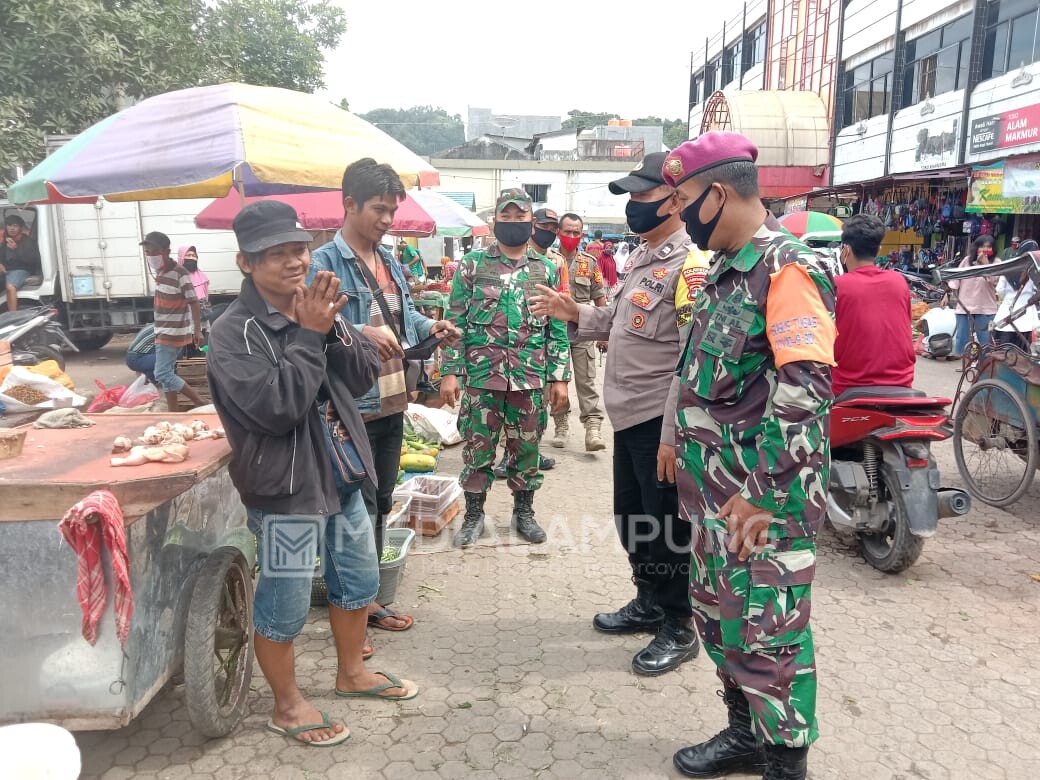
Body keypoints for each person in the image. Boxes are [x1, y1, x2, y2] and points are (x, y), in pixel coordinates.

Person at [208, 200, 417, 748]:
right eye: (274, 254)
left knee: (357, 581)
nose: (293, 262)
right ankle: (287, 704)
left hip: (342, 473)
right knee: (285, 601)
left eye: (298, 249)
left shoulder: (320, 308)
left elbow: (361, 376)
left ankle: (351, 674)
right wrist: (307, 335)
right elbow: (277, 408)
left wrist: (337, 331)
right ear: (246, 263)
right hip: (284, 492)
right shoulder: (235, 333)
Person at [664, 133, 836, 780]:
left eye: (684, 201)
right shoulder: (722, 273)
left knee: (769, 640)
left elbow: (806, 390)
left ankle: (784, 766)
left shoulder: (787, 269)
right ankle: (743, 735)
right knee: (718, 624)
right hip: (715, 502)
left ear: (717, 193)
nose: (680, 215)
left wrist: (763, 493)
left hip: (764, 504)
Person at [531, 150, 710, 675]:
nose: (634, 206)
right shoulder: (642, 256)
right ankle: (649, 600)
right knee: (632, 520)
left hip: (659, 421)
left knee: (664, 527)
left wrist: (673, 435)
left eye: (643, 196)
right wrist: (576, 312)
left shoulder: (688, 265)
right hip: (629, 417)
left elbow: (688, 359)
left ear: (676, 200)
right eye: (630, 197)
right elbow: (621, 320)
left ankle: (678, 624)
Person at [310, 158, 458, 633]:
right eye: (378, 209)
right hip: (348, 408)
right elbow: (308, 326)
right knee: (348, 511)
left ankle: (364, 601)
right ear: (348, 204)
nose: (387, 220)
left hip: (391, 401)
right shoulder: (323, 264)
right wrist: (358, 333)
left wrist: (429, 327)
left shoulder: (389, 259)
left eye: (392, 211)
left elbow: (403, 319)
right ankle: (349, 609)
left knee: (378, 502)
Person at [440, 188, 571, 547]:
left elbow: (556, 326)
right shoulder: (472, 265)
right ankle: (474, 515)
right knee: (478, 450)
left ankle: (523, 513)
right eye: (506, 217)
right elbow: (455, 322)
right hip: (483, 378)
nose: (513, 223)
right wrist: (450, 371)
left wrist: (559, 378)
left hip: (529, 378)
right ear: (494, 220)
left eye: (520, 217)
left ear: (531, 223)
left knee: (527, 450)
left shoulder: (546, 268)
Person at [832, 214, 916, 396]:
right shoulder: (898, 281)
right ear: (878, 250)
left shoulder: (837, 286)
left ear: (845, 250)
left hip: (848, 388)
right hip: (901, 383)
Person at [552, 213, 608, 451]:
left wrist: (604, 333)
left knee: (586, 381)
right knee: (556, 380)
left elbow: (599, 297)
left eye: (576, 233)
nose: (572, 236)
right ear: (558, 233)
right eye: (568, 232)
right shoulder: (548, 260)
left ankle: (593, 429)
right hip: (556, 332)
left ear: (582, 235)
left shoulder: (590, 262)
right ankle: (561, 425)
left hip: (583, 331)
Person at [141, 231, 205, 411]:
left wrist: (197, 330)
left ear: (166, 251)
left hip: (172, 332)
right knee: (168, 373)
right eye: (147, 252)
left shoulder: (179, 273)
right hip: (163, 330)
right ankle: (173, 412)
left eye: (153, 251)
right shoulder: (161, 273)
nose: (150, 256)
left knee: (161, 373)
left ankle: (200, 401)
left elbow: (193, 301)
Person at [945, 235, 999, 358]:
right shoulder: (967, 261)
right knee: (962, 335)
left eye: (988, 247)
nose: (985, 250)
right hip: (964, 305)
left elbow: (995, 281)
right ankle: (962, 358)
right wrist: (947, 295)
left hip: (985, 306)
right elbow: (956, 279)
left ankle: (985, 361)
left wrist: (986, 266)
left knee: (985, 337)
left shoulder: (996, 262)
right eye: (982, 246)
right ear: (977, 247)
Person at [993, 238, 1040, 350]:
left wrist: (1009, 299)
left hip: (1006, 314)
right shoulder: (1035, 271)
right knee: (1022, 353)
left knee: (1002, 351)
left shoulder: (1009, 268)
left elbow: (1000, 290)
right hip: (1026, 317)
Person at [0, 214, 41, 311]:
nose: (12, 228)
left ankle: (13, 315)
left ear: (20, 228)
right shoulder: (6, 240)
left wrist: (16, 249)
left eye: (15, 226)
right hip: (6, 269)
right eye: (9, 225)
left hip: (21, 269)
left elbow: (32, 260)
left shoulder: (27, 241)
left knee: (10, 287)